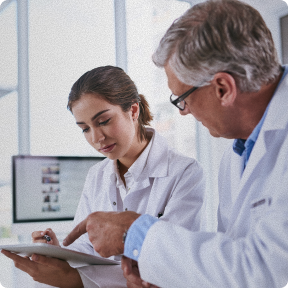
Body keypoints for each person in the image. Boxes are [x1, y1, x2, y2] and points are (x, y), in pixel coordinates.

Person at [61, 0, 288, 287]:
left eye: (183, 98)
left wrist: (134, 233)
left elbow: (269, 271)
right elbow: (224, 265)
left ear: (223, 88)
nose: (184, 111)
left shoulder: (189, 170)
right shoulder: (237, 154)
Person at [1, 66, 205, 287]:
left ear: (133, 110)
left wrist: (77, 279)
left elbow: (170, 260)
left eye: (104, 121)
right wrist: (58, 253)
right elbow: (85, 246)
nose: (97, 138)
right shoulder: (96, 175)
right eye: (85, 128)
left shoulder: (184, 172)